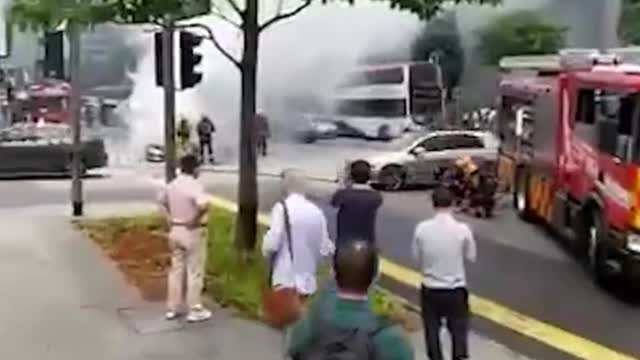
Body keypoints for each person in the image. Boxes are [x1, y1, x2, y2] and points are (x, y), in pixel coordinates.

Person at [287, 240, 414, 360]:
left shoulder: (310, 323)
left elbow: (294, 351)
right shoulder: (389, 339)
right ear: (375, 278)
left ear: (334, 275)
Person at [412, 187, 477, 360]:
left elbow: (415, 255)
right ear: (453, 203)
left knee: (431, 329)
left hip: (430, 288)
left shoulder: (422, 228)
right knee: (459, 330)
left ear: (433, 204)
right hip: (455, 288)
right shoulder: (463, 229)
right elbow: (472, 256)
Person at [262, 169, 335, 302]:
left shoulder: (282, 208)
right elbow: (325, 248)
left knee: (285, 318)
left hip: (284, 277)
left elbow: (272, 243)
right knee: (300, 317)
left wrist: (266, 254)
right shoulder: (316, 212)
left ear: (285, 185)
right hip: (307, 281)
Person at [157, 154, 212, 323]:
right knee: (194, 271)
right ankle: (195, 308)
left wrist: (169, 219)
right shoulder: (195, 186)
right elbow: (204, 206)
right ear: (195, 168)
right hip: (192, 231)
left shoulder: (172, 185)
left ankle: (173, 308)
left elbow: (161, 203)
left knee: (176, 270)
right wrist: (193, 221)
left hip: (175, 229)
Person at [331, 159, 383, 246]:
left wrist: (343, 183)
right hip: (367, 242)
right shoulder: (376, 196)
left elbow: (334, 202)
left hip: (345, 242)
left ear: (351, 176)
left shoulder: (343, 194)